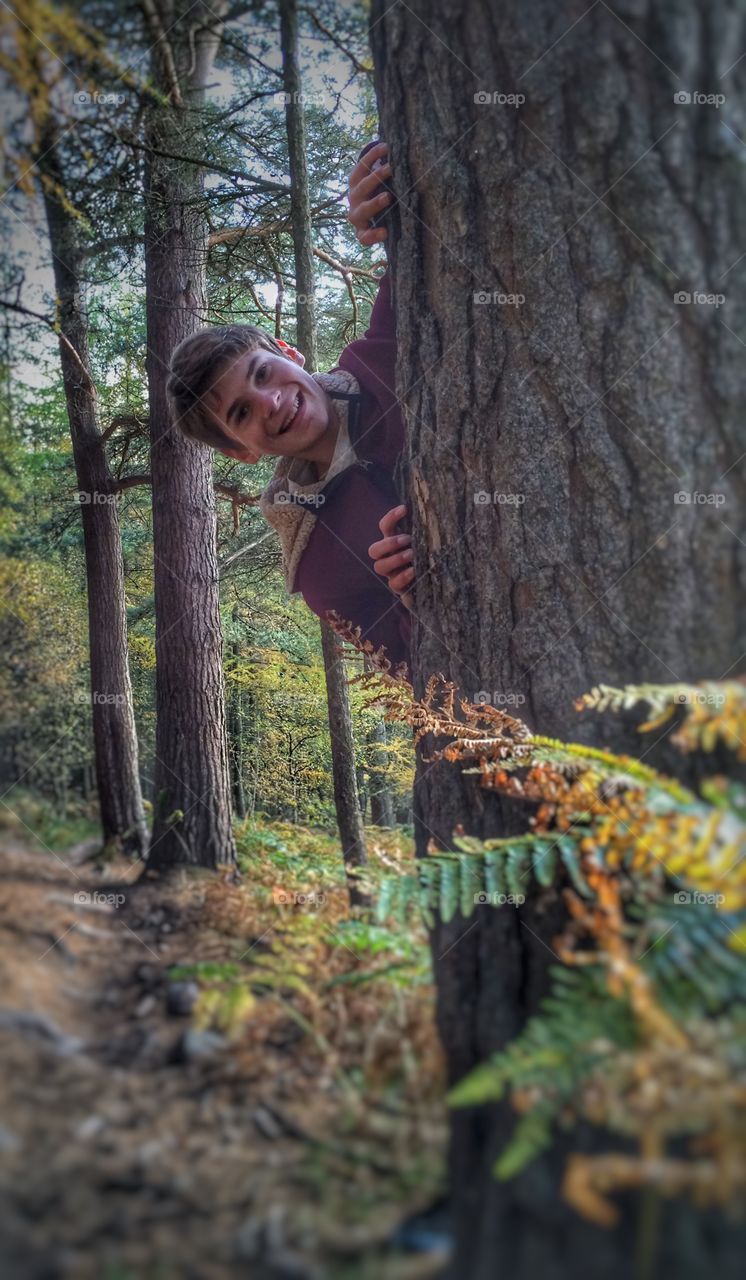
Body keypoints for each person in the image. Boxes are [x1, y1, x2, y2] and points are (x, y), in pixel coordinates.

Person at [166, 142, 413, 673]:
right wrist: (421, 599)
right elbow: (417, 677)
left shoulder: (382, 352)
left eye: (262, 373)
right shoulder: (318, 570)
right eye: (240, 413)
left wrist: (376, 196)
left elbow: (416, 247)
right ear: (240, 451)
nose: (271, 401)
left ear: (290, 353)